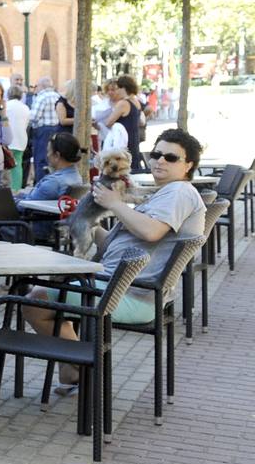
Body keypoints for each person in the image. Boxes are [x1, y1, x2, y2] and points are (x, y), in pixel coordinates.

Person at [22, 130, 206, 382]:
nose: (160, 161)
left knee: (34, 300)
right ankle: (76, 366)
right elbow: (114, 243)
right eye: (156, 154)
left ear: (189, 165)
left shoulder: (179, 193)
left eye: (171, 158)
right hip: (118, 285)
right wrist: (87, 224)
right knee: (49, 288)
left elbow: (151, 232)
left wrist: (114, 203)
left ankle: (83, 368)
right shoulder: (165, 193)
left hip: (128, 293)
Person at [99, 74, 145, 172]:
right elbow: (141, 121)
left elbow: (108, 122)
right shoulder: (136, 101)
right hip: (133, 140)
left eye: (118, 88)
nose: (117, 91)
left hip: (123, 142)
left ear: (123, 88)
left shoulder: (123, 103)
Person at [28, 77, 63, 183]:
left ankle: (41, 183)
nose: (35, 88)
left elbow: (34, 116)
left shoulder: (42, 97)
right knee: (52, 158)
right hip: (56, 129)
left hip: (43, 130)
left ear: (41, 86)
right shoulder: (57, 96)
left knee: (41, 159)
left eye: (36, 86)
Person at [2, 78, 31, 190]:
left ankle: (5, 188)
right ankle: (16, 189)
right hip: (20, 139)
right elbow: (27, 124)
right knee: (17, 165)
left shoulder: (6, 106)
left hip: (7, 139)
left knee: (4, 166)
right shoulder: (25, 108)